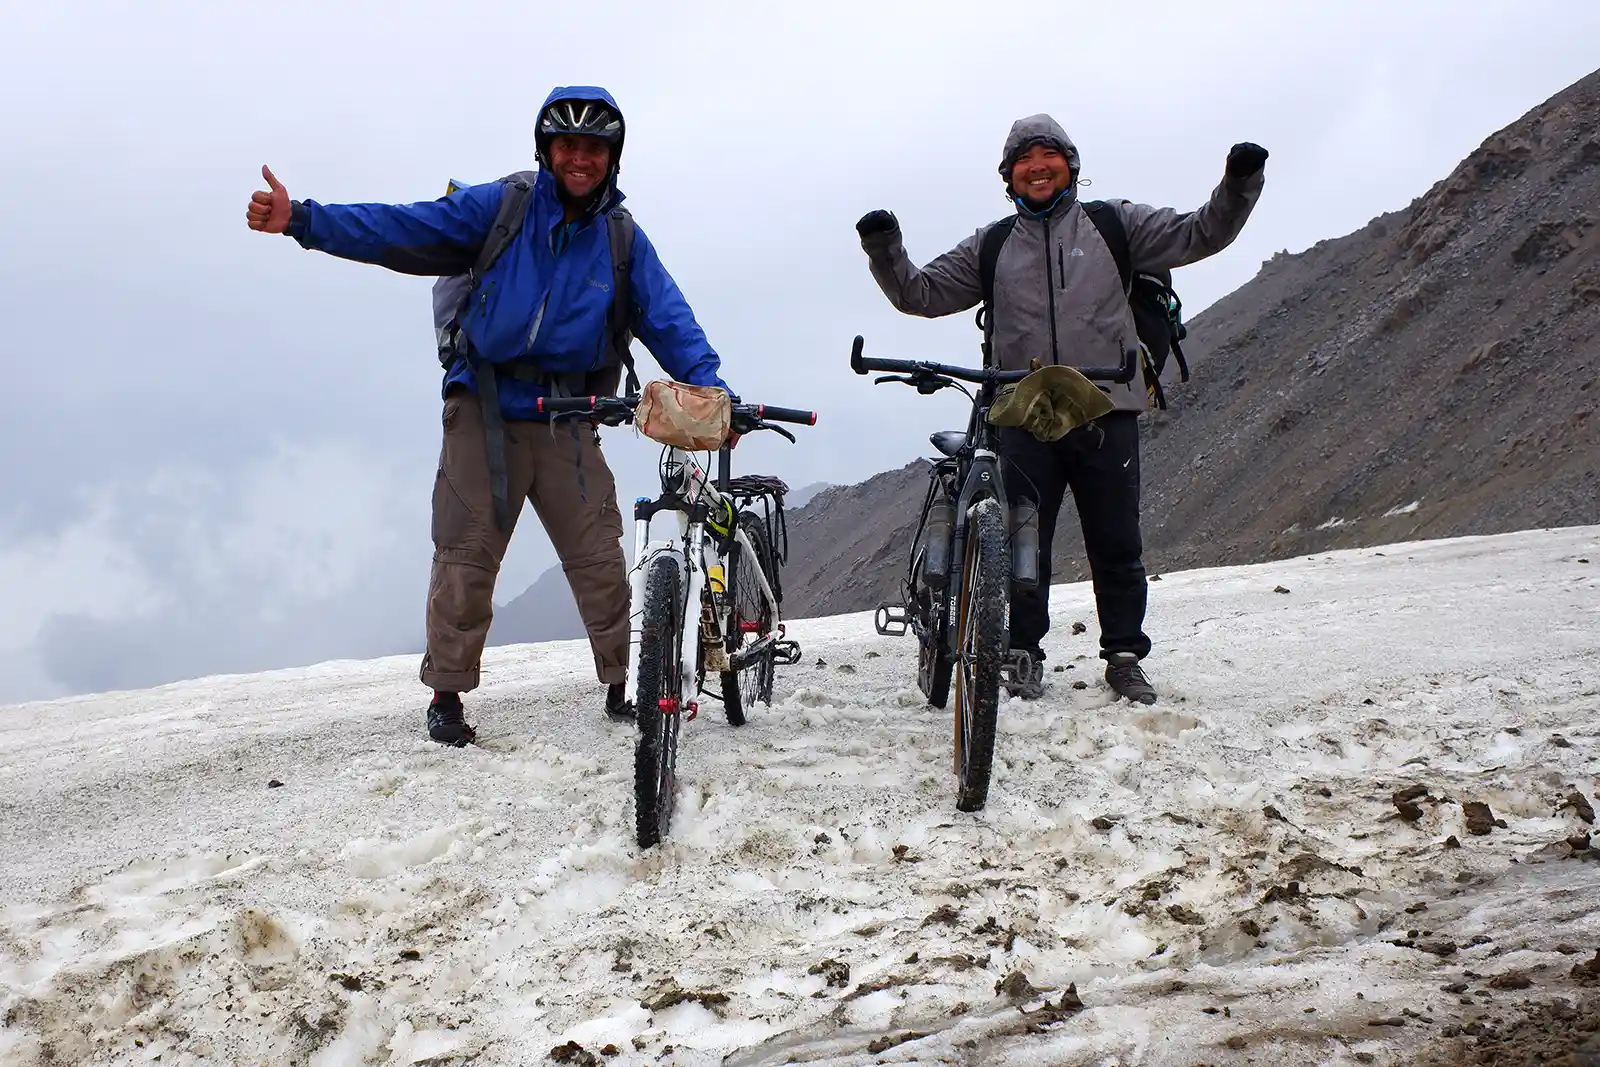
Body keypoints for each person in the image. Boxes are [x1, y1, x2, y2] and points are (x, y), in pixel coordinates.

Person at [245, 86, 733, 745]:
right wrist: (302, 219)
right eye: (567, 145)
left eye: (594, 147)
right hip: (486, 406)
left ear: (612, 156)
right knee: (465, 552)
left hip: (569, 412)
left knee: (598, 551)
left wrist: (712, 392)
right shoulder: (503, 207)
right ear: (546, 151)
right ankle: (446, 697)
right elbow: (402, 228)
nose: (579, 158)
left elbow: (669, 319)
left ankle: (624, 685)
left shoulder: (621, 239)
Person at [855, 114, 1266, 705]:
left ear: (1070, 164)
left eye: (1048, 155)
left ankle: (1124, 657)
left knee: (1116, 540)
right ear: (1010, 177)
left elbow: (1201, 233)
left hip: (1106, 404)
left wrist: (1238, 182)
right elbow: (919, 294)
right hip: (1024, 412)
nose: (1037, 166)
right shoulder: (992, 246)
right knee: (1025, 541)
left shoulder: (1114, 224)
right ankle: (1023, 654)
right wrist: (885, 248)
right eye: (1024, 160)